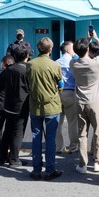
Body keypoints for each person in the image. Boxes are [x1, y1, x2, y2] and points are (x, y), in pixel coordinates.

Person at [70, 30, 99, 174]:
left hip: (80, 101)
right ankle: (98, 161)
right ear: (88, 49)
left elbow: (76, 55)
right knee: (98, 131)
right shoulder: (95, 64)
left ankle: (83, 164)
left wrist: (86, 41)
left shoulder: (73, 63)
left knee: (82, 133)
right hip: (94, 101)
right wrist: (95, 37)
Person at [26, 37, 63, 180]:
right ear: (50, 49)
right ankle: (50, 169)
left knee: (36, 137)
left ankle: (36, 170)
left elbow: (28, 83)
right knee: (50, 139)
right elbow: (60, 85)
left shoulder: (30, 64)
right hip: (52, 106)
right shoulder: (54, 65)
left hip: (35, 105)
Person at [0, 42, 31, 167]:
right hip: (21, 105)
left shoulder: (9, 69)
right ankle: (14, 159)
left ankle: (3, 157)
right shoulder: (26, 70)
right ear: (26, 56)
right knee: (18, 132)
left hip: (8, 104)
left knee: (7, 130)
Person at [55, 41, 79, 154]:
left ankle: (58, 146)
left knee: (57, 122)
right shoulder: (74, 62)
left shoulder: (56, 63)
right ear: (69, 50)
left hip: (58, 93)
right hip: (71, 93)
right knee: (73, 122)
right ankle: (73, 146)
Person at [0, 54, 15, 158]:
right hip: (10, 105)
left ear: (3, 64)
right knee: (9, 129)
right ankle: (8, 150)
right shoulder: (14, 75)